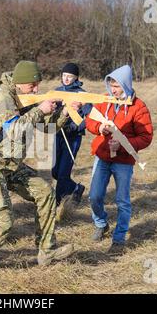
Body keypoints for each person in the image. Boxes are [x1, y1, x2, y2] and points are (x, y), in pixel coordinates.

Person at [0, 61, 78, 285]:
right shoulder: (3, 98)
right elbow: (15, 129)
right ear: (20, 83)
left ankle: (46, 250)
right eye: (32, 86)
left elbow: (48, 127)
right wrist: (39, 110)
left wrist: (65, 112)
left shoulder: (21, 95)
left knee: (45, 192)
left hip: (11, 165)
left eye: (38, 86)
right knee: (3, 221)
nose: (36, 90)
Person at [86, 65, 153, 254]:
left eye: (117, 86)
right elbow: (90, 120)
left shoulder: (138, 107)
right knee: (94, 196)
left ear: (126, 84)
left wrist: (123, 144)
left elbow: (146, 137)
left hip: (123, 162)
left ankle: (119, 238)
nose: (113, 90)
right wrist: (100, 128)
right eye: (111, 85)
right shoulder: (104, 101)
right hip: (102, 156)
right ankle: (101, 223)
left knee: (122, 200)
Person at [52, 63, 92, 221]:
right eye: (64, 75)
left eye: (69, 76)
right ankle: (76, 188)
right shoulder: (57, 91)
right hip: (58, 134)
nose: (66, 78)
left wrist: (77, 126)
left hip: (73, 137)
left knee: (62, 173)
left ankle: (57, 204)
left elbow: (89, 115)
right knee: (55, 171)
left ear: (76, 77)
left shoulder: (82, 94)